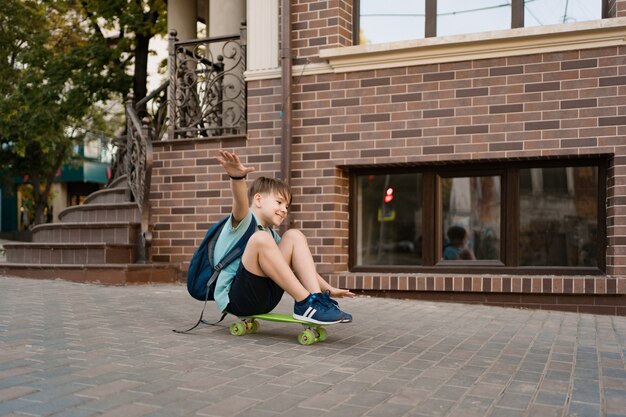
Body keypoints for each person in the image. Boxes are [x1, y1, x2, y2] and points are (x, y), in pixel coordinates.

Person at [213, 150, 354, 324]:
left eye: (287, 206)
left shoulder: (272, 237)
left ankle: (317, 300)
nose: (284, 210)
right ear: (258, 200)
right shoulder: (243, 222)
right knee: (261, 239)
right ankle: (305, 303)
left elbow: (299, 267)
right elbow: (240, 202)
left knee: (294, 235)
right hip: (237, 300)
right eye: (279, 202)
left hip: (266, 299)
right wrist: (237, 178)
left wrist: (328, 289)